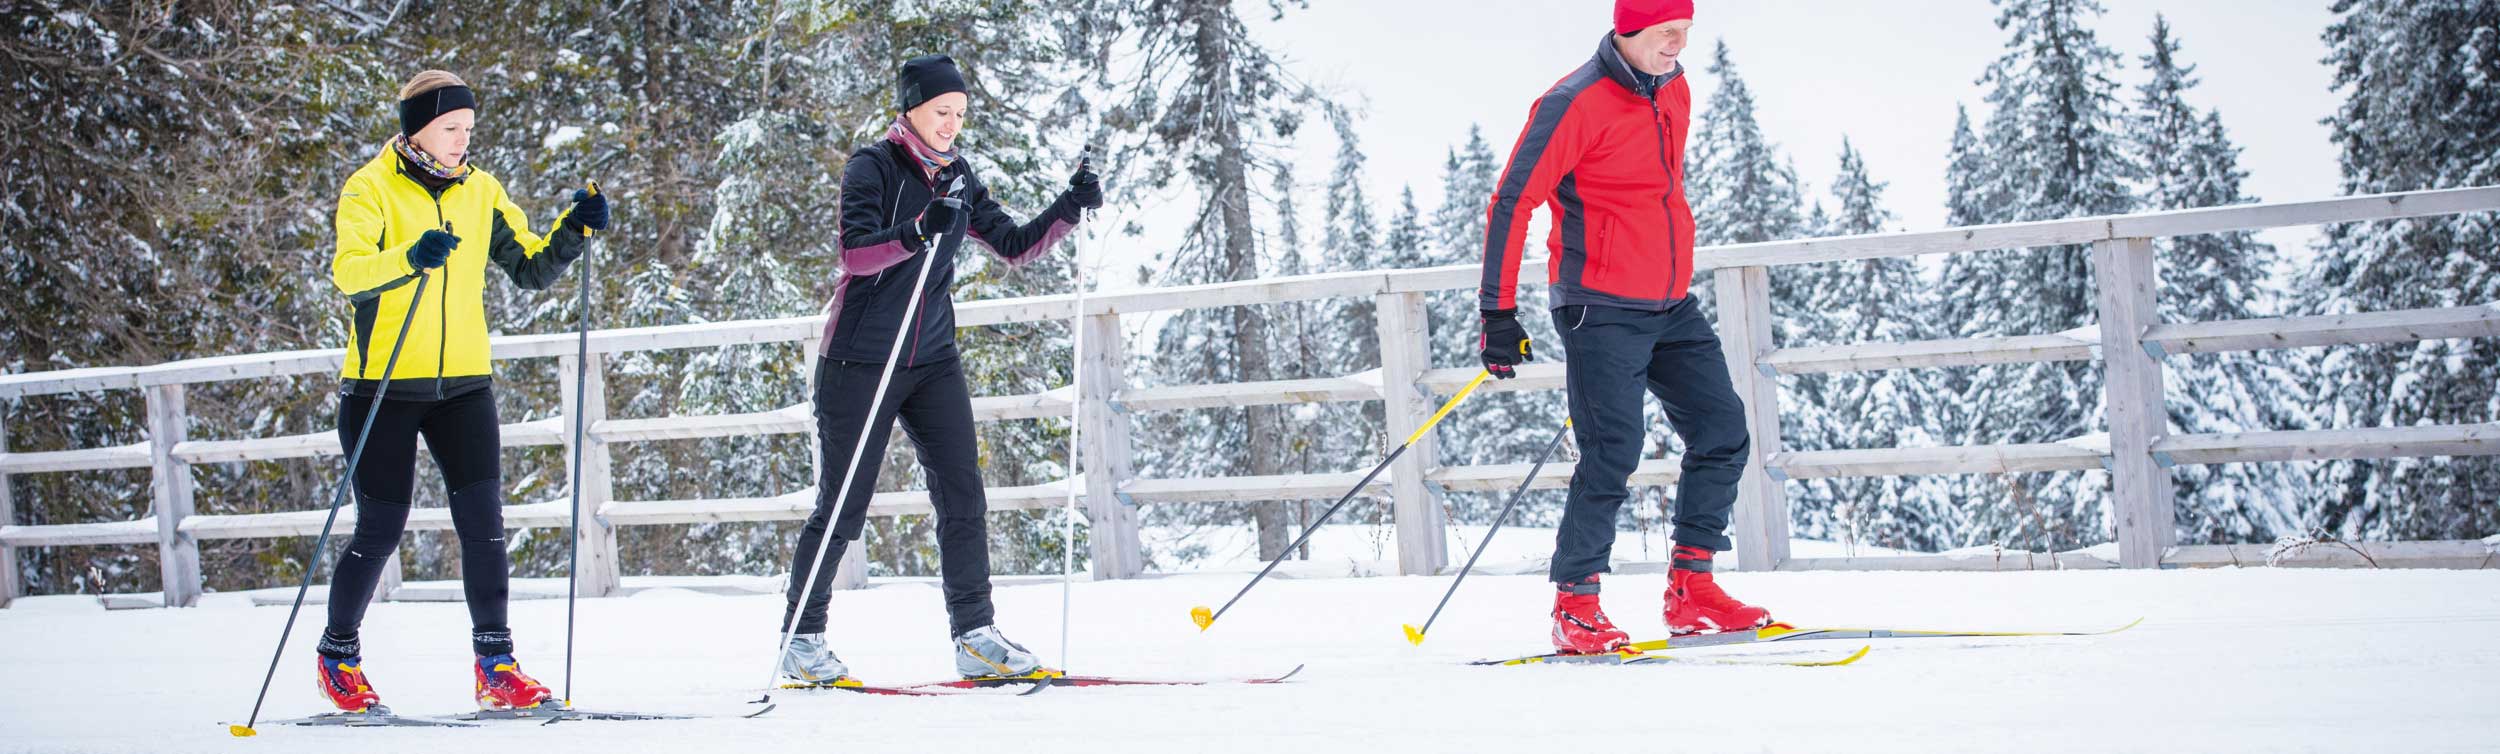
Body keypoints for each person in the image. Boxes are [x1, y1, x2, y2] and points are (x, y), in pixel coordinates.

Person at [777, 53, 1103, 683]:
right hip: (860, 360)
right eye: (941, 112)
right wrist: (919, 229)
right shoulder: (872, 166)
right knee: (843, 505)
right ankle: (802, 639)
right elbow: (856, 252)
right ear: (911, 110)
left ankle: (975, 637)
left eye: (959, 114)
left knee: (962, 494)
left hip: (931, 359)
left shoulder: (959, 175)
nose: (952, 125)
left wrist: (1069, 207)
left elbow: (1012, 245)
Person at [1476, 0, 1773, 654]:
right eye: (1668, 34)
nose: (1678, 47)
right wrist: (1497, 313)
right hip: (1598, 306)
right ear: (1630, 31)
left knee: (1722, 430)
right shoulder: (1573, 103)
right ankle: (1575, 604)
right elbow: (1512, 201)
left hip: (1669, 302)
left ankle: (1691, 589)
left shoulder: (1674, 89)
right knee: (1614, 450)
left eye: (1686, 34)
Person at [317, 69, 608, 711]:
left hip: (463, 387)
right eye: (450, 128)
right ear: (416, 126)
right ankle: (338, 656)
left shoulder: (481, 190)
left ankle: (496, 665)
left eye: (468, 129)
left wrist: (574, 229)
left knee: (483, 523)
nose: (461, 140)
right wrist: (408, 259)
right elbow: (349, 275)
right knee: (382, 525)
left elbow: (529, 267)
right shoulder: (370, 188)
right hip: (383, 385)